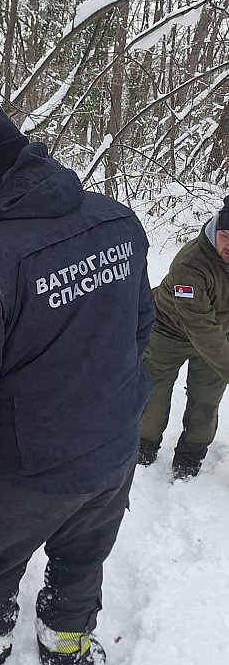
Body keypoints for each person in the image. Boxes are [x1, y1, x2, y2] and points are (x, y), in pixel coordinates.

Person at [0, 94, 154, 665]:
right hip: (113, 447)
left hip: (30, 463)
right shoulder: (117, 221)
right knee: (83, 555)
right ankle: (67, 640)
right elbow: (140, 327)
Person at [138, 196, 229, 479]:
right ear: (216, 230)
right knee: (153, 395)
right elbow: (200, 327)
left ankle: (191, 455)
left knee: (206, 399)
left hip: (219, 332)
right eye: (227, 236)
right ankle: (144, 446)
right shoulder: (190, 265)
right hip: (168, 331)